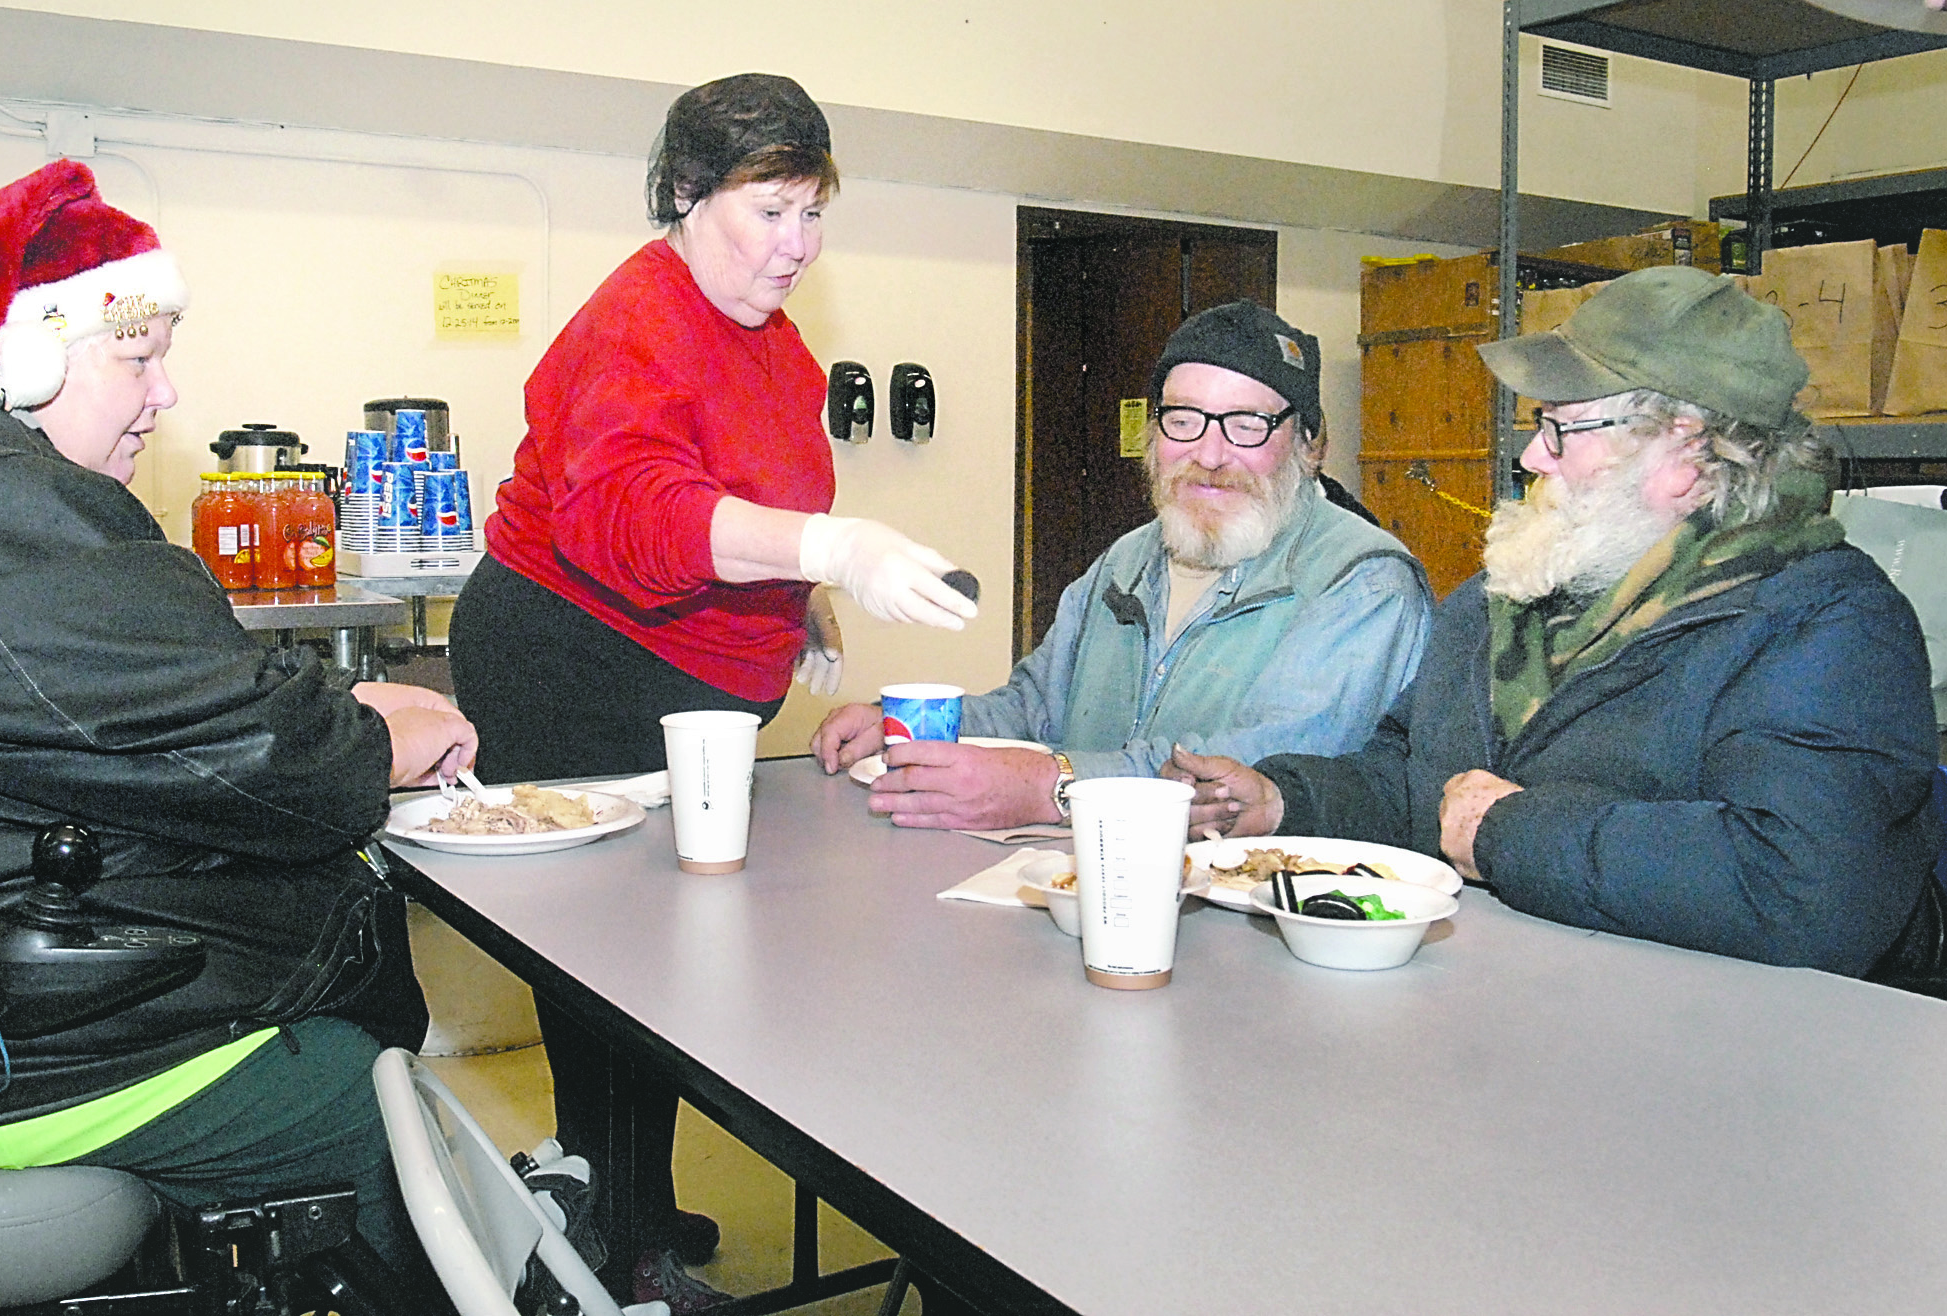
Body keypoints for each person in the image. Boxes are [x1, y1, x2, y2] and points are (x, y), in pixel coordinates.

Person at [0, 161, 479, 1281]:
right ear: (21, 357)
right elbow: (258, 760)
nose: (163, 396)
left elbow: (113, 711)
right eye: (139, 357)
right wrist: (382, 734)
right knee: (362, 1099)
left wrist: (319, 713)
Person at [444, 73, 973, 1307]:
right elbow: (635, 516)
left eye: (813, 213)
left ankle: (630, 1193)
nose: (798, 245)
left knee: (678, 949)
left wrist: (804, 594)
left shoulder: (766, 331)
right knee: (614, 959)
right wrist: (829, 551)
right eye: (770, 211)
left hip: (682, 666)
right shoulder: (641, 319)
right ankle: (617, 1247)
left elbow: (759, 483)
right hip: (573, 652)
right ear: (685, 193)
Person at [1167, 265, 1946, 986]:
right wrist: (1283, 801)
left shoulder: (1822, 623)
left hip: (1721, 1072)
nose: (1532, 458)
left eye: (1562, 430)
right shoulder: (1503, 596)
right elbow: (1419, 786)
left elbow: (1809, 894)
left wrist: (1511, 832)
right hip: (1508, 1022)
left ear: (1689, 446)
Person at [811, 301, 1433, 831]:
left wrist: (1048, 786)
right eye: (1183, 421)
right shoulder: (1126, 561)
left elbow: (1249, 774)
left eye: (1247, 426)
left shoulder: (1364, 583)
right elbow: (1032, 710)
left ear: (1308, 445)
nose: (1209, 454)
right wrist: (913, 732)